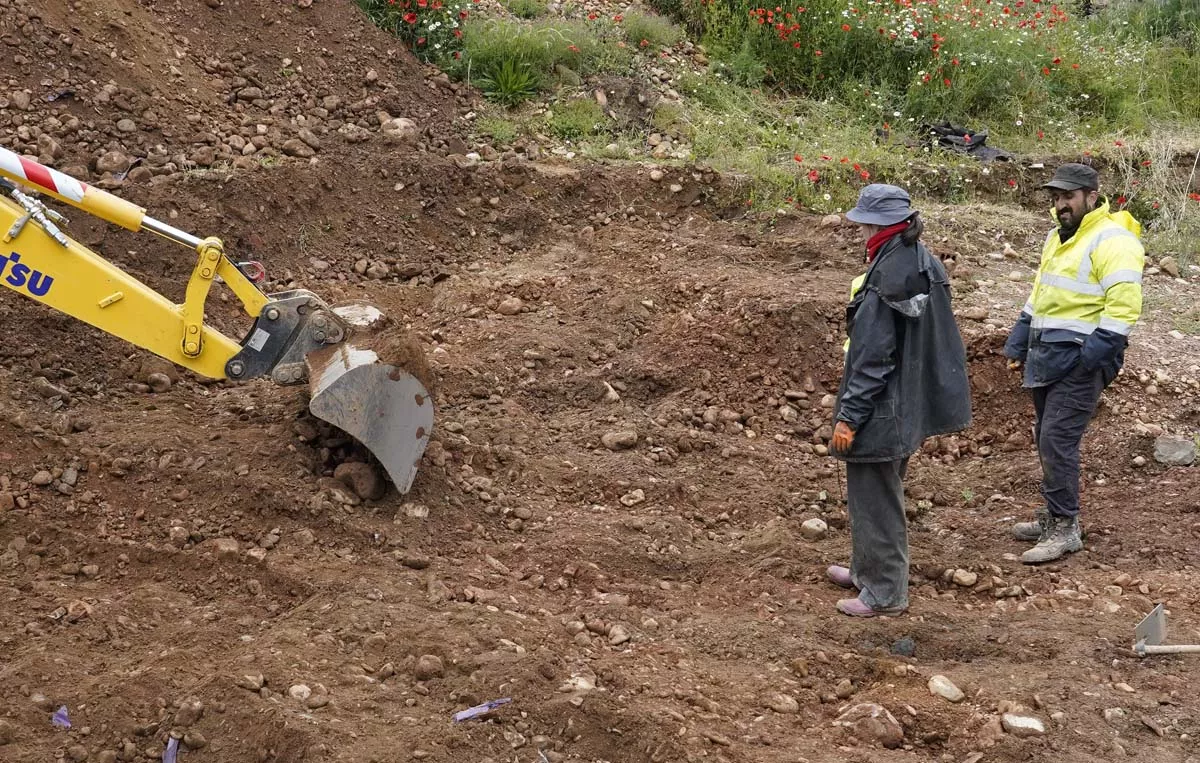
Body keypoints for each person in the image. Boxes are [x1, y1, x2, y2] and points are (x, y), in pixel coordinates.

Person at [826, 184, 972, 617]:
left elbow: (872, 358)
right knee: (877, 491)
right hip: (910, 402)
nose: (859, 232)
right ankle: (865, 570)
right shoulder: (920, 258)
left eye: (863, 224)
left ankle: (884, 593)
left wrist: (849, 417)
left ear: (877, 224)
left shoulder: (888, 275)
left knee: (875, 495)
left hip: (883, 408)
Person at [1003, 163, 1144, 564]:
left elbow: (1124, 303)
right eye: (1057, 197)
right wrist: (1020, 335)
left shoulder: (1112, 239)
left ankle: (1065, 526)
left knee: (1056, 440)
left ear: (1092, 197)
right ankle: (1053, 515)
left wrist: (1092, 357)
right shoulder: (1058, 237)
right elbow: (1042, 291)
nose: (1061, 204)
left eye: (1069, 196)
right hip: (1049, 353)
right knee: (1045, 436)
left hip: (1082, 356)